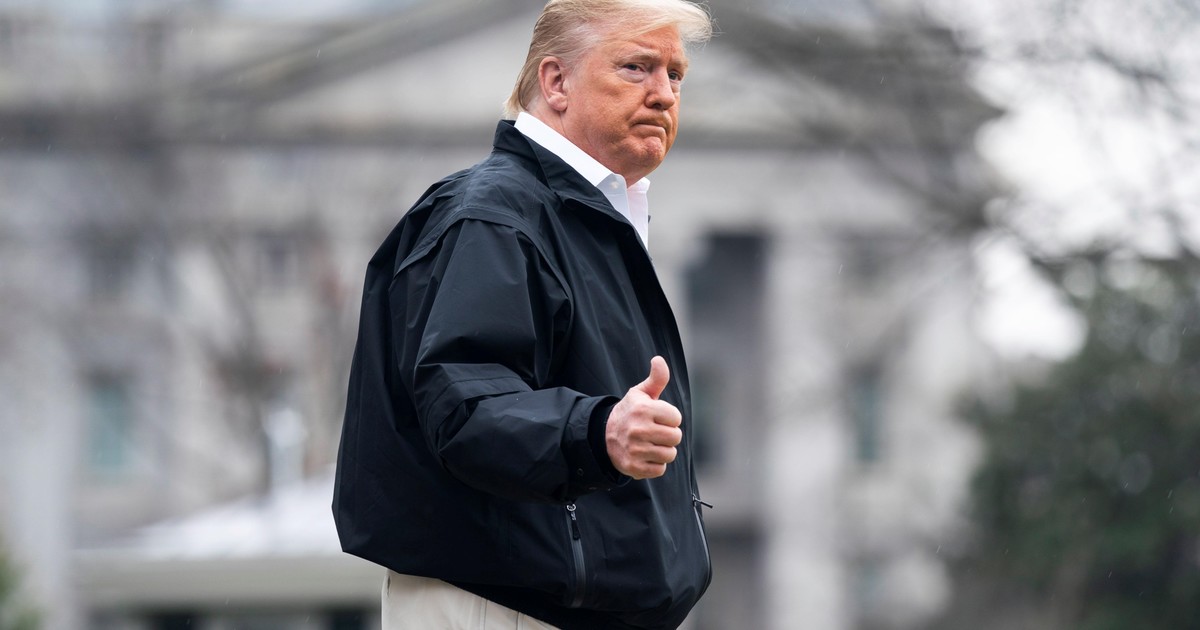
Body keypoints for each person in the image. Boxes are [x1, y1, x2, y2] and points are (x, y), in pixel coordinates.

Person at [333, 1, 714, 628]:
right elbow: (465, 407)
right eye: (636, 67)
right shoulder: (493, 216)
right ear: (556, 82)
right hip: (499, 608)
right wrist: (599, 431)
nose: (664, 94)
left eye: (675, 74)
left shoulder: (577, 218)